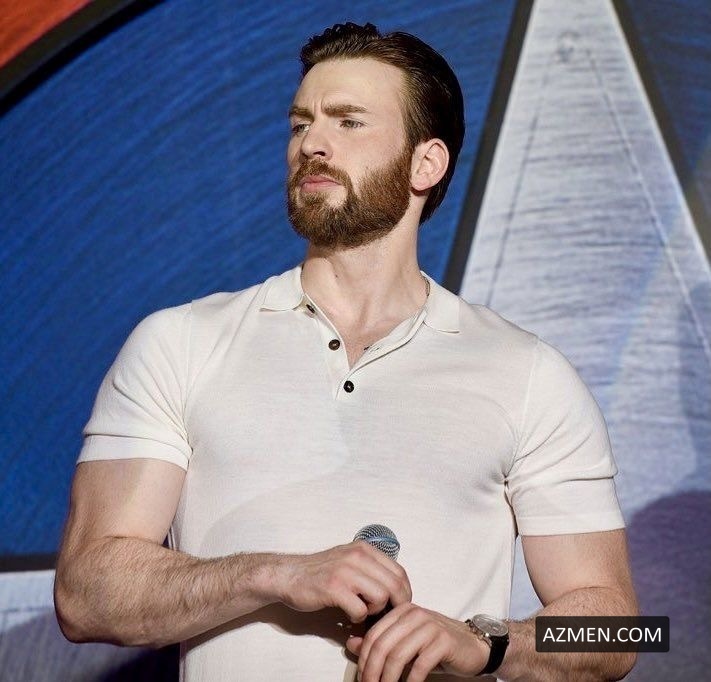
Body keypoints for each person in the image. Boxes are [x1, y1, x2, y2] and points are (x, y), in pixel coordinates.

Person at [54, 22, 638, 682]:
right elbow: (84, 595)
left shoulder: (528, 373)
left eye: (348, 121)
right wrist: (274, 574)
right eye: (300, 123)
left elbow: (623, 632)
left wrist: (485, 641)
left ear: (426, 164)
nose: (312, 143)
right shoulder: (180, 343)